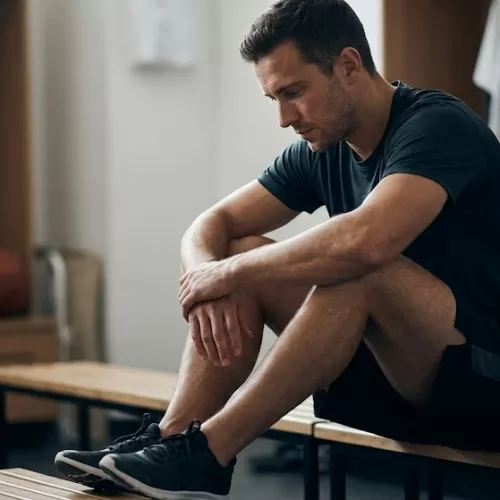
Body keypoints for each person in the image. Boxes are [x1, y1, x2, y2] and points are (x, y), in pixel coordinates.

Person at [55, 0, 500, 498]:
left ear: (348, 65)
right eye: (274, 99)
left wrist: (229, 274)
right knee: (238, 249)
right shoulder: (324, 147)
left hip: (480, 388)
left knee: (356, 268)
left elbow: (366, 241)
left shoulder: (438, 125)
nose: (285, 118)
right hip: (390, 385)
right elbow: (212, 223)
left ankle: (211, 451)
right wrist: (208, 272)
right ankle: (173, 437)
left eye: (294, 93)